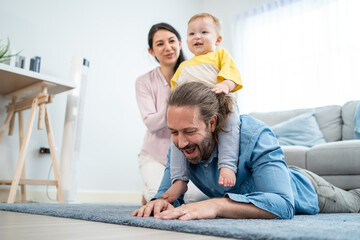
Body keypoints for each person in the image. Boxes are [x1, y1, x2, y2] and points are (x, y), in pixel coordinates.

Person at [132, 82, 360, 220]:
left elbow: (283, 204)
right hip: (277, 183)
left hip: (306, 190)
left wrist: (216, 205)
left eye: (189, 131)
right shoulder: (180, 145)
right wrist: (159, 201)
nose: (181, 143)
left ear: (212, 123)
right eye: (174, 132)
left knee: (354, 202)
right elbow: (168, 196)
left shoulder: (254, 134)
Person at [163, 13, 243, 203]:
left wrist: (225, 86)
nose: (197, 37)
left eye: (204, 32)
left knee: (231, 126)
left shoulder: (220, 55)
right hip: (195, 114)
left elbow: (233, 77)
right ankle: (179, 180)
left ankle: (227, 165)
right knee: (177, 139)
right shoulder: (184, 66)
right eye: (191, 34)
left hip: (221, 104)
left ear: (218, 39)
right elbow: (176, 94)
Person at [135, 23, 208, 205]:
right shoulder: (144, 82)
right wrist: (175, 94)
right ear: (151, 51)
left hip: (187, 155)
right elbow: (151, 123)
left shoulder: (194, 73)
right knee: (163, 200)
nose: (167, 47)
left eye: (171, 41)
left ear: (180, 42)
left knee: (195, 198)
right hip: (155, 156)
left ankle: (151, 190)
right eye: (160, 44)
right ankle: (149, 191)